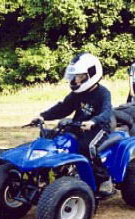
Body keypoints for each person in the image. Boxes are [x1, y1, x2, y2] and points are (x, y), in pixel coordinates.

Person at [31, 53, 113, 194]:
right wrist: (43, 116)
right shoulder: (77, 94)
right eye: (75, 76)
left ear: (91, 74)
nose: (76, 80)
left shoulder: (103, 93)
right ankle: (45, 177)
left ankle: (104, 180)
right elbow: (63, 107)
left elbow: (106, 112)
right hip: (78, 125)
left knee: (87, 147)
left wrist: (93, 121)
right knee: (51, 139)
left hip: (99, 127)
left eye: (80, 76)